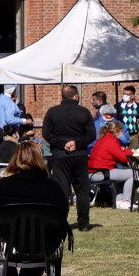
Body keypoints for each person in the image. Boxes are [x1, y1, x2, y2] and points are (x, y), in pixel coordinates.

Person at [0, 142, 68, 276]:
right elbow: (61, 218)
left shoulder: (0, 188)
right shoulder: (54, 188)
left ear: (15, 159)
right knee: (47, 239)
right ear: (40, 159)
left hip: (9, 245)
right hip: (45, 245)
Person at [42, 84, 94, 232]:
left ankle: (61, 221)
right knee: (82, 190)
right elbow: (91, 135)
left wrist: (62, 143)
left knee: (62, 190)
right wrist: (76, 143)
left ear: (62, 96)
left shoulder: (52, 112)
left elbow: (47, 133)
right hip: (80, 155)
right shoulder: (84, 112)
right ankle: (83, 223)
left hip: (59, 155)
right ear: (76, 96)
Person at [89, 120, 138, 209]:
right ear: (116, 132)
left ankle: (119, 201)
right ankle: (126, 201)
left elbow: (117, 153)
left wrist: (124, 151)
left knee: (122, 173)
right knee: (131, 173)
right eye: (121, 131)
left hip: (95, 171)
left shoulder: (104, 138)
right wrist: (128, 151)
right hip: (99, 173)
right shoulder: (111, 140)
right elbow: (122, 158)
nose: (122, 134)